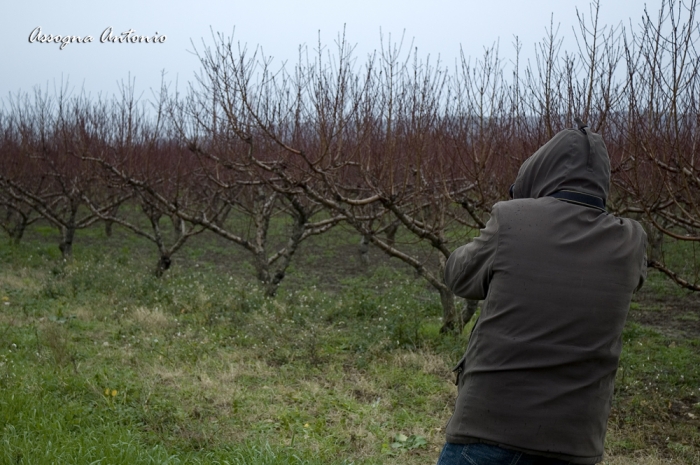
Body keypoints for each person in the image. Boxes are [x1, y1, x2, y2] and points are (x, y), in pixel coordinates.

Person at [437, 120, 647, 465]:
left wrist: (511, 218)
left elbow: (459, 276)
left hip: (488, 429)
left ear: (539, 169)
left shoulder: (512, 218)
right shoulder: (632, 240)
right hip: (575, 443)